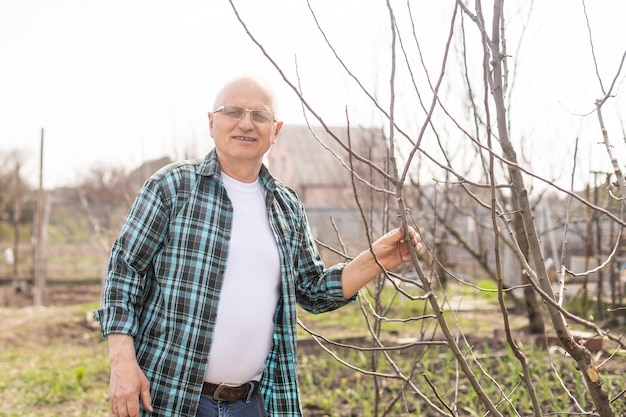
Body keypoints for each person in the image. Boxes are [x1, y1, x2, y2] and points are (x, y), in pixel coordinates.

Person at [94, 75, 422, 417]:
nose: (246, 123)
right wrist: (122, 363)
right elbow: (124, 270)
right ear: (211, 122)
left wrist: (375, 260)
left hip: (254, 403)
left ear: (276, 130)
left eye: (260, 116)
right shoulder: (172, 187)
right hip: (170, 397)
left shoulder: (286, 205)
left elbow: (310, 290)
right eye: (233, 111)